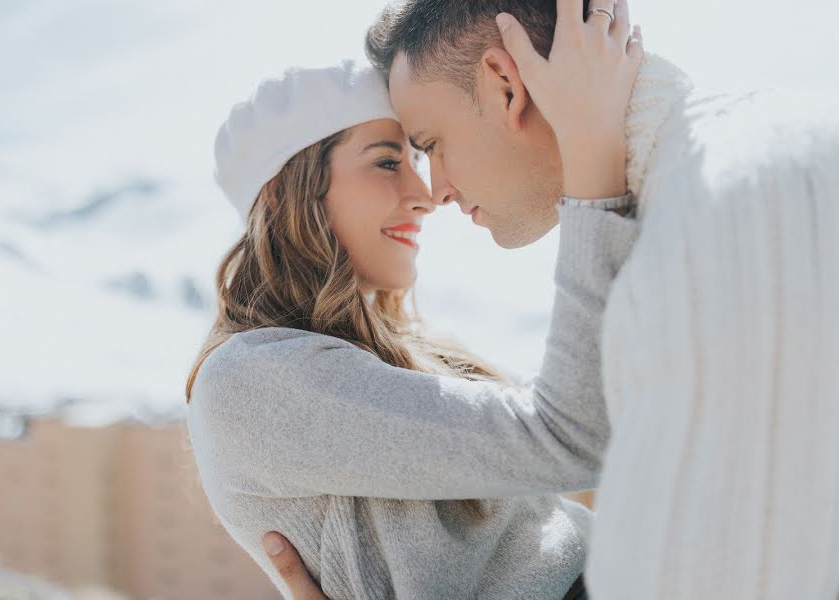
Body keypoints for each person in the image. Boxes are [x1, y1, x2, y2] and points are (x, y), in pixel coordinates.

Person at [265, 0, 839, 598]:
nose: (437, 191)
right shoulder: (718, 181)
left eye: (430, 144)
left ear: (505, 86)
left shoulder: (725, 218)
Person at [185, 10, 642, 598]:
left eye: (420, 156)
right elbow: (569, 432)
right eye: (386, 161)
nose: (426, 194)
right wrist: (591, 156)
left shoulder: (375, 354)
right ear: (282, 192)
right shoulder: (246, 381)